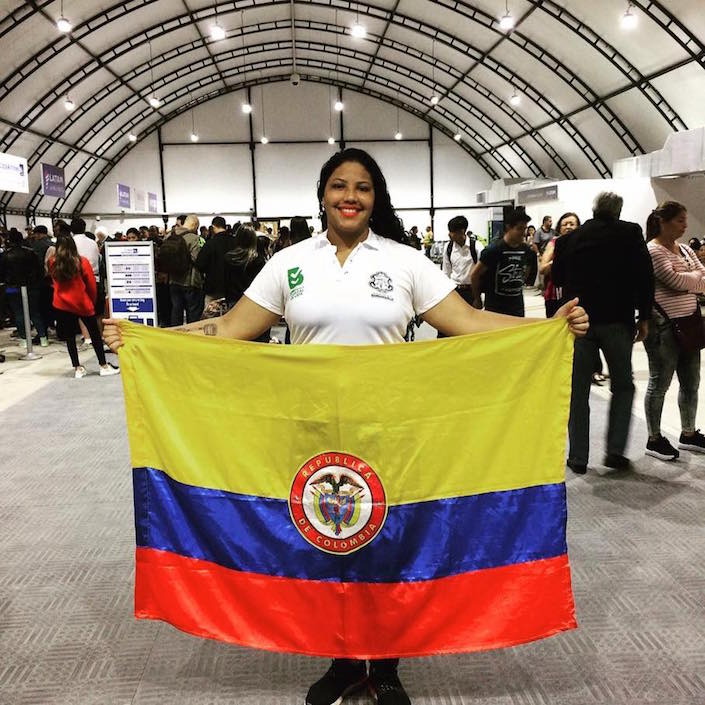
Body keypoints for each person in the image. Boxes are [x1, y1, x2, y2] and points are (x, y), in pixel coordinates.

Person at [103, 147, 588, 705]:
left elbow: (469, 322)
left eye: (361, 187)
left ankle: (383, 663)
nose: (349, 196)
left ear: (374, 197)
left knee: (386, 544)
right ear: (323, 196)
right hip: (309, 431)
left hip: (390, 429)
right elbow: (233, 328)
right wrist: (151, 340)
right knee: (325, 545)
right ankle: (340, 658)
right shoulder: (291, 264)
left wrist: (546, 329)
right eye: (338, 186)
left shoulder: (405, 261)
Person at [552, 192, 654, 474]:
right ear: (617, 212)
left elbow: (558, 278)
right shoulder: (630, 233)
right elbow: (645, 277)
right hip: (617, 322)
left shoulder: (568, 240)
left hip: (578, 321)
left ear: (594, 210)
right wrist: (644, 316)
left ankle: (578, 457)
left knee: (578, 390)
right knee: (622, 385)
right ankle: (615, 452)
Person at [643, 202, 705, 460]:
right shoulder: (652, 251)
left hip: (690, 323)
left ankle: (688, 433)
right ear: (663, 222)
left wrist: (690, 279)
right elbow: (677, 281)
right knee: (660, 383)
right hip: (663, 327)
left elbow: (702, 277)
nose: (685, 225)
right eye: (679, 220)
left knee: (691, 383)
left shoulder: (685, 249)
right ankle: (654, 438)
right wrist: (691, 279)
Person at [48, 235, 119, 378]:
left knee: (69, 337)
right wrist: (91, 301)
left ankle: (77, 368)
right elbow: (91, 285)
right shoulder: (81, 262)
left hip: (61, 304)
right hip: (82, 303)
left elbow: (53, 281)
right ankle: (103, 365)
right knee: (95, 335)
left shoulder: (52, 262)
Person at [470, 210, 533, 317]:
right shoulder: (493, 250)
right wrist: (477, 298)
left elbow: (527, 270)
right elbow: (475, 275)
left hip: (517, 306)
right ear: (509, 228)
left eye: (525, 228)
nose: (523, 232)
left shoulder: (526, 250)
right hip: (496, 307)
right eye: (519, 228)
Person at [0, 229, 48, 347]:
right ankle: (43, 337)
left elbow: (2, 273)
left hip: (12, 288)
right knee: (35, 312)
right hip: (32, 287)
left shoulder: (5, 255)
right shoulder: (31, 253)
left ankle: (24, 339)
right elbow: (39, 270)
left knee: (18, 313)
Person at [439, 215, 481, 338]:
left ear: (462, 232)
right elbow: (446, 272)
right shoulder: (449, 247)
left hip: (471, 291)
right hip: (455, 291)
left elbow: (481, 274)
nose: (449, 235)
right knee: (451, 324)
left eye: (451, 232)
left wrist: (478, 297)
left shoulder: (476, 247)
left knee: (471, 324)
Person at [163, 214, 204, 325]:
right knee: (192, 312)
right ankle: (192, 337)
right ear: (195, 225)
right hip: (189, 281)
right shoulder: (194, 238)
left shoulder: (169, 236)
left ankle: (176, 336)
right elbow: (197, 259)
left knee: (176, 311)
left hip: (172, 280)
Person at [539, 213, 580, 318]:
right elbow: (542, 269)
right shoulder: (554, 243)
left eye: (572, 224)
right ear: (559, 228)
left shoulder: (582, 243)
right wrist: (557, 262)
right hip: (555, 294)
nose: (568, 227)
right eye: (565, 224)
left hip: (576, 292)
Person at [195, 216, 237, 305]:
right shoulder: (235, 242)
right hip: (233, 287)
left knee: (211, 314)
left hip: (213, 287)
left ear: (213, 227)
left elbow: (200, 264)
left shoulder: (210, 244)